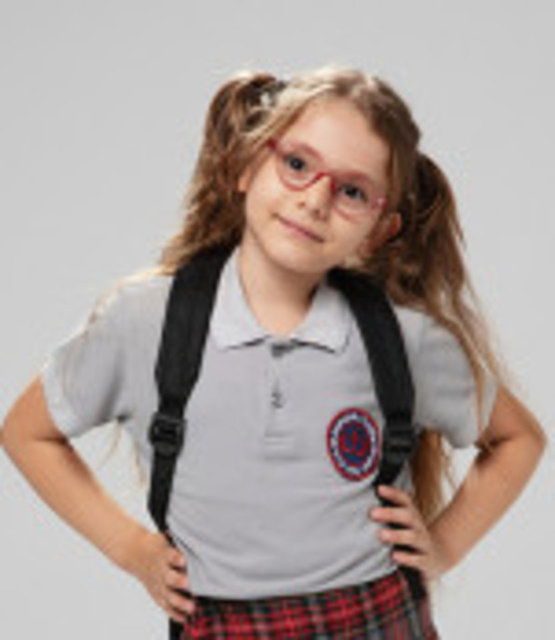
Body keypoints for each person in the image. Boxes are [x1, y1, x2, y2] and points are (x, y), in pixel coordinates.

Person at [1, 64, 547, 639]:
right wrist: (133, 550)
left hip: (377, 618)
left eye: (352, 191)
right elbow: (27, 432)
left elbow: (517, 439)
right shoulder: (146, 321)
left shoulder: (400, 339)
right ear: (245, 164)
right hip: (222, 623)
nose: (315, 200)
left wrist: (443, 547)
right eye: (297, 165)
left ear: (379, 229)